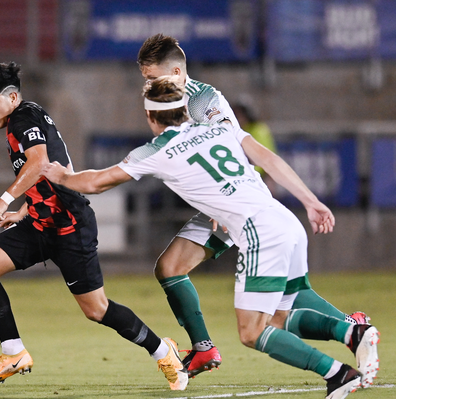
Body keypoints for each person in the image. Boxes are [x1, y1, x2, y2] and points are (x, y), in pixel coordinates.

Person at [42, 76, 381, 399]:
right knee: (280, 316)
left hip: (257, 232)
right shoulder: (217, 127)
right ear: (185, 110)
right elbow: (268, 159)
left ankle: (336, 373)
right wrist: (310, 201)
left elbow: (98, 182)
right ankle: (351, 332)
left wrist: (63, 176)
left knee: (252, 332)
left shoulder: (156, 150)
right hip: (283, 219)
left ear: (149, 115)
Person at [134, 34, 369, 378]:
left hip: (239, 204)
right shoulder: (166, 101)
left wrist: (222, 208)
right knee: (173, 268)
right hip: (224, 205)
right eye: (145, 79)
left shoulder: (205, 101)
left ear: (176, 71)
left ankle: (350, 330)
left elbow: (238, 148)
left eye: (153, 78)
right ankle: (351, 328)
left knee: (269, 305)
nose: (149, 85)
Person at [0, 62, 188, 390]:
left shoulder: (23, 118)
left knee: (97, 310)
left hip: (71, 225)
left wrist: (4, 200)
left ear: (12, 97)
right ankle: (12, 352)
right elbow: (54, 169)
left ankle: (162, 351)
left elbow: (40, 163)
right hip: (41, 224)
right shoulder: (24, 119)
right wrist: (25, 210)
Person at [231, 98, 278, 192]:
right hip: (241, 177)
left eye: (239, 115)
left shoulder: (259, 130)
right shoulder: (236, 130)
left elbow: (267, 156)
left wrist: (270, 179)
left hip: (257, 177)